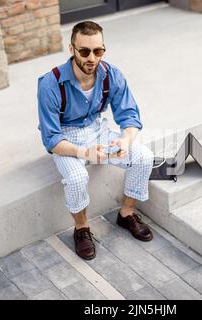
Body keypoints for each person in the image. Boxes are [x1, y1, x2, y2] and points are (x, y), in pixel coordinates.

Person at [37, 21, 155, 260]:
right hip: (66, 137)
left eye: (98, 51)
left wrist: (125, 139)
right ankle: (81, 229)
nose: (91, 58)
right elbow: (51, 139)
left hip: (98, 131)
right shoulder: (50, 83)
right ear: (72, 49)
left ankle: (126, 213)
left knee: (143, 156)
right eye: (84, 51)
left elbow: (129, 115)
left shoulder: (111, 74)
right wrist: (85, 153)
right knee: (77, 177)